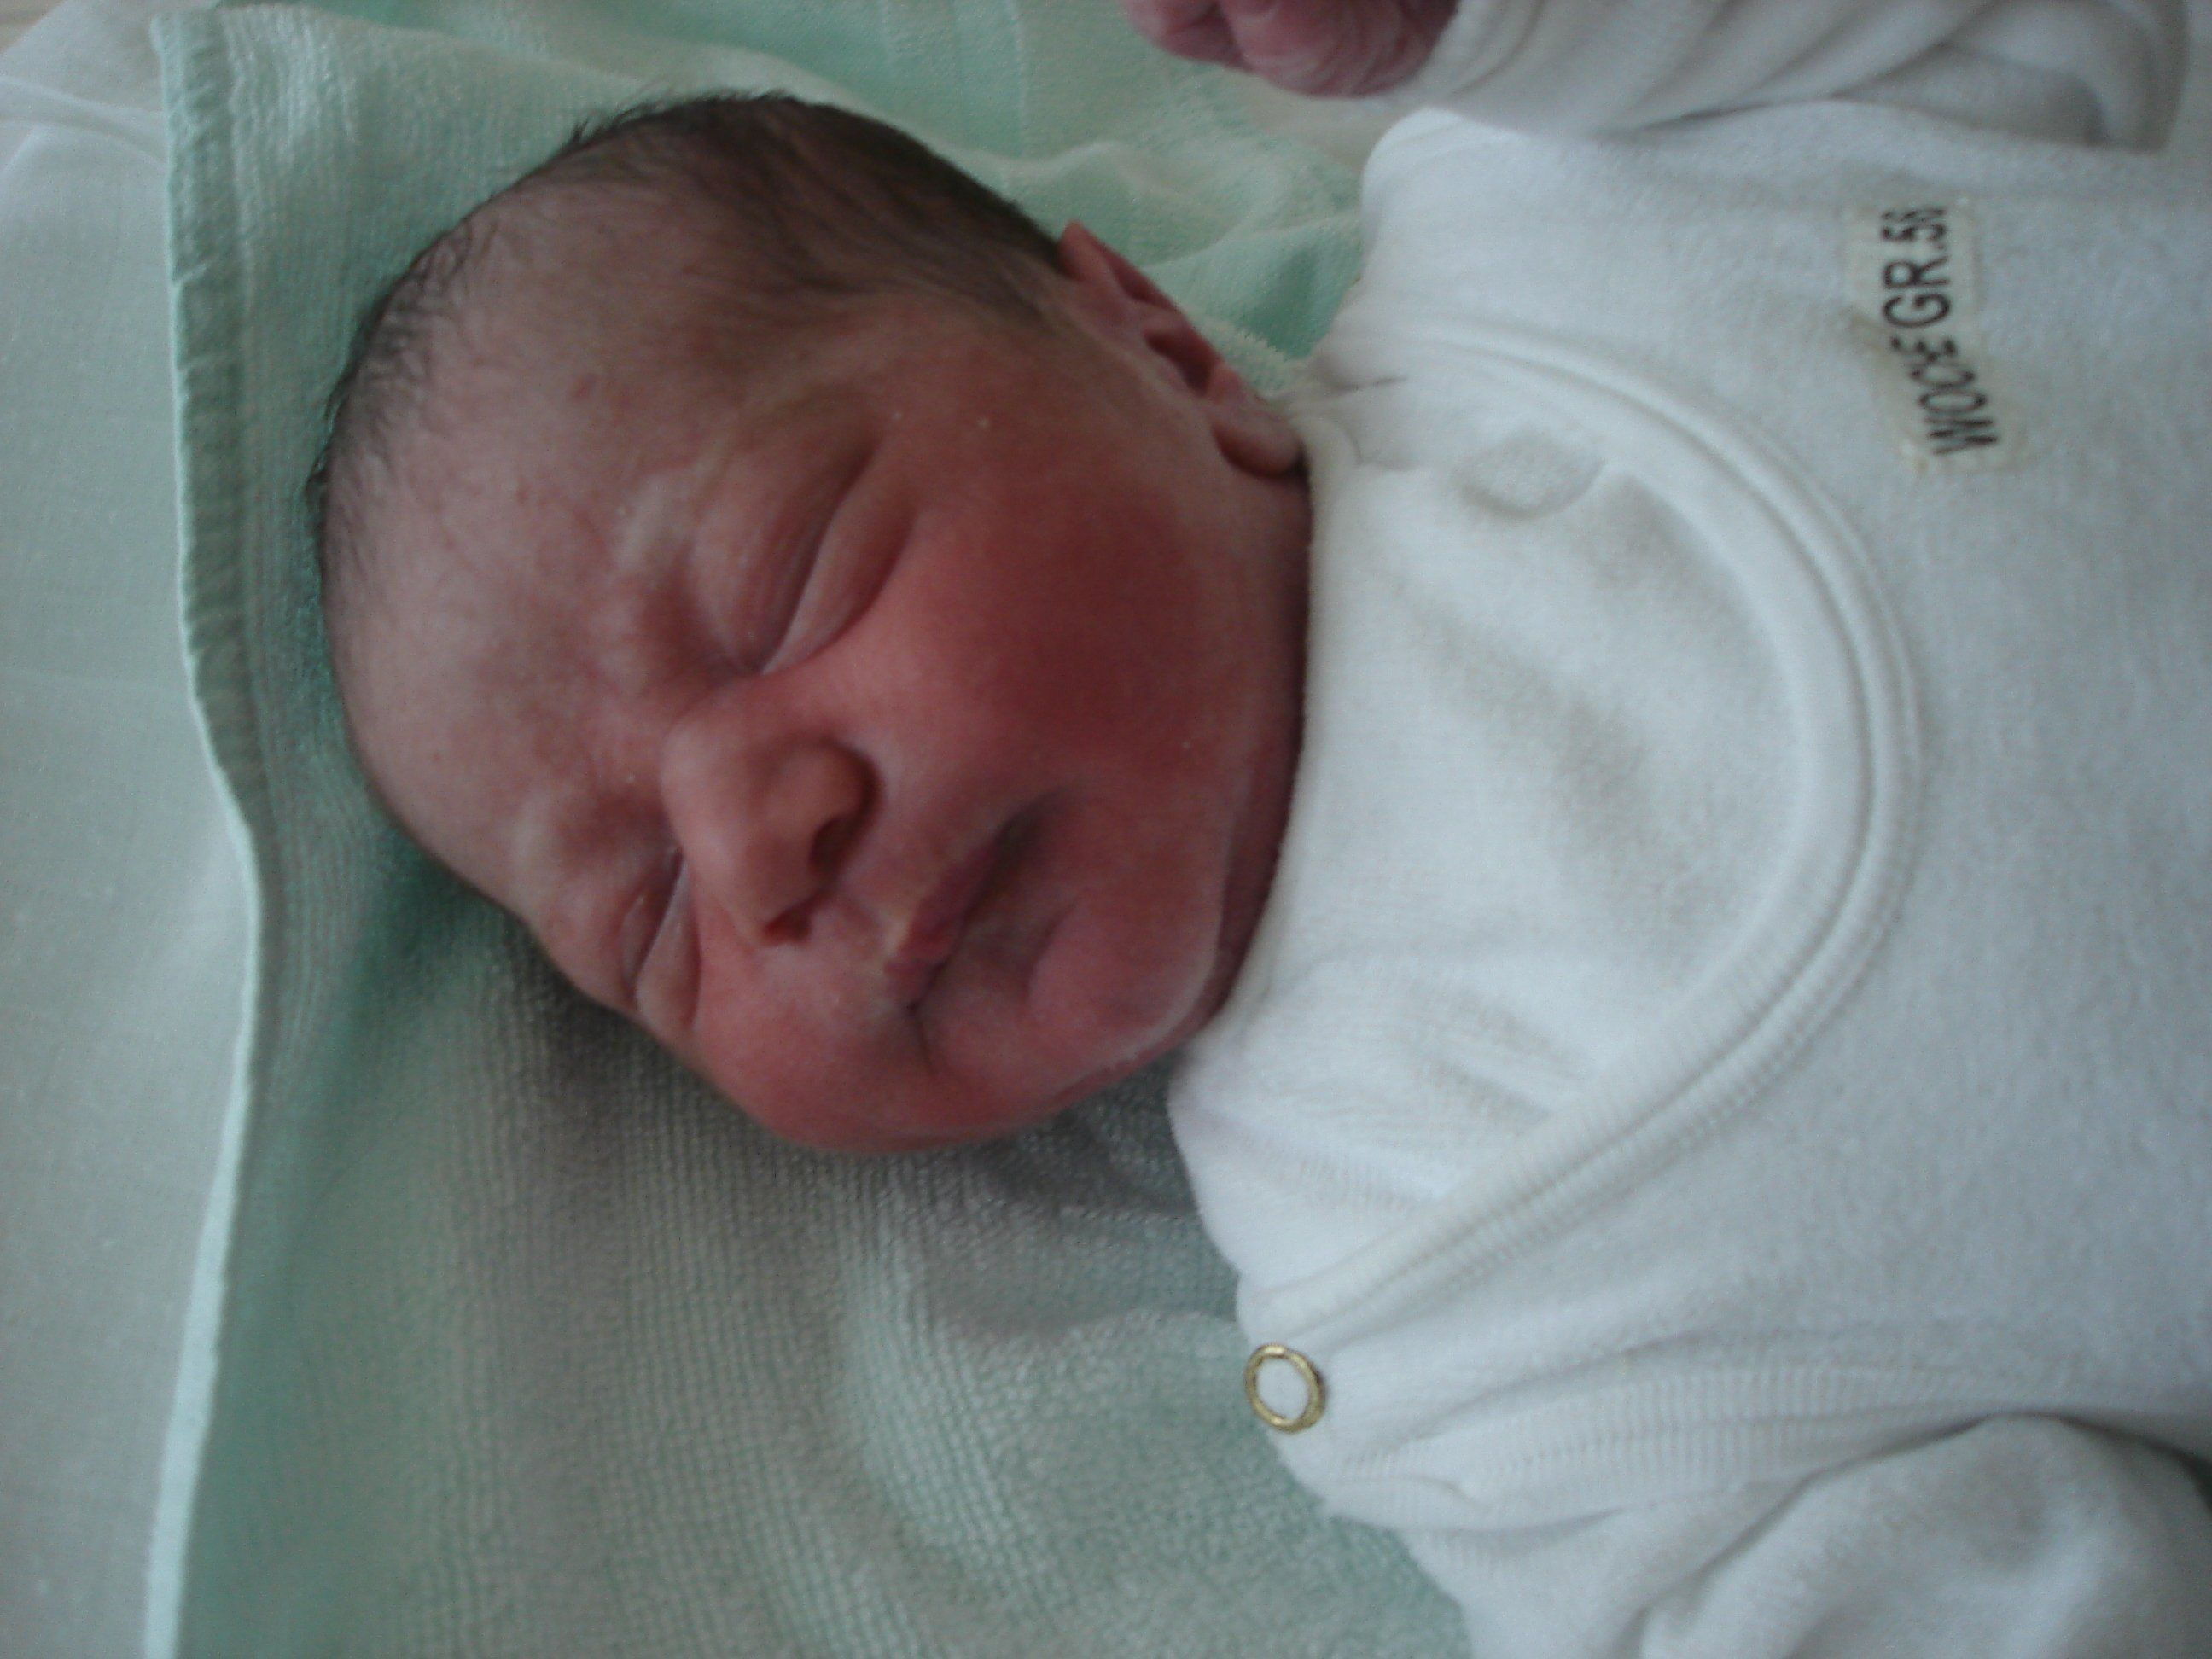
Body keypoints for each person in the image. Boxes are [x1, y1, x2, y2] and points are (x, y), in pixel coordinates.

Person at [314, 0, 2212, 1649]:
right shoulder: (1411, 1278)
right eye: (650, 922)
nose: (755, 854)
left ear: (1156, 342)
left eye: (785, 580)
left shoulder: (1555, 194)